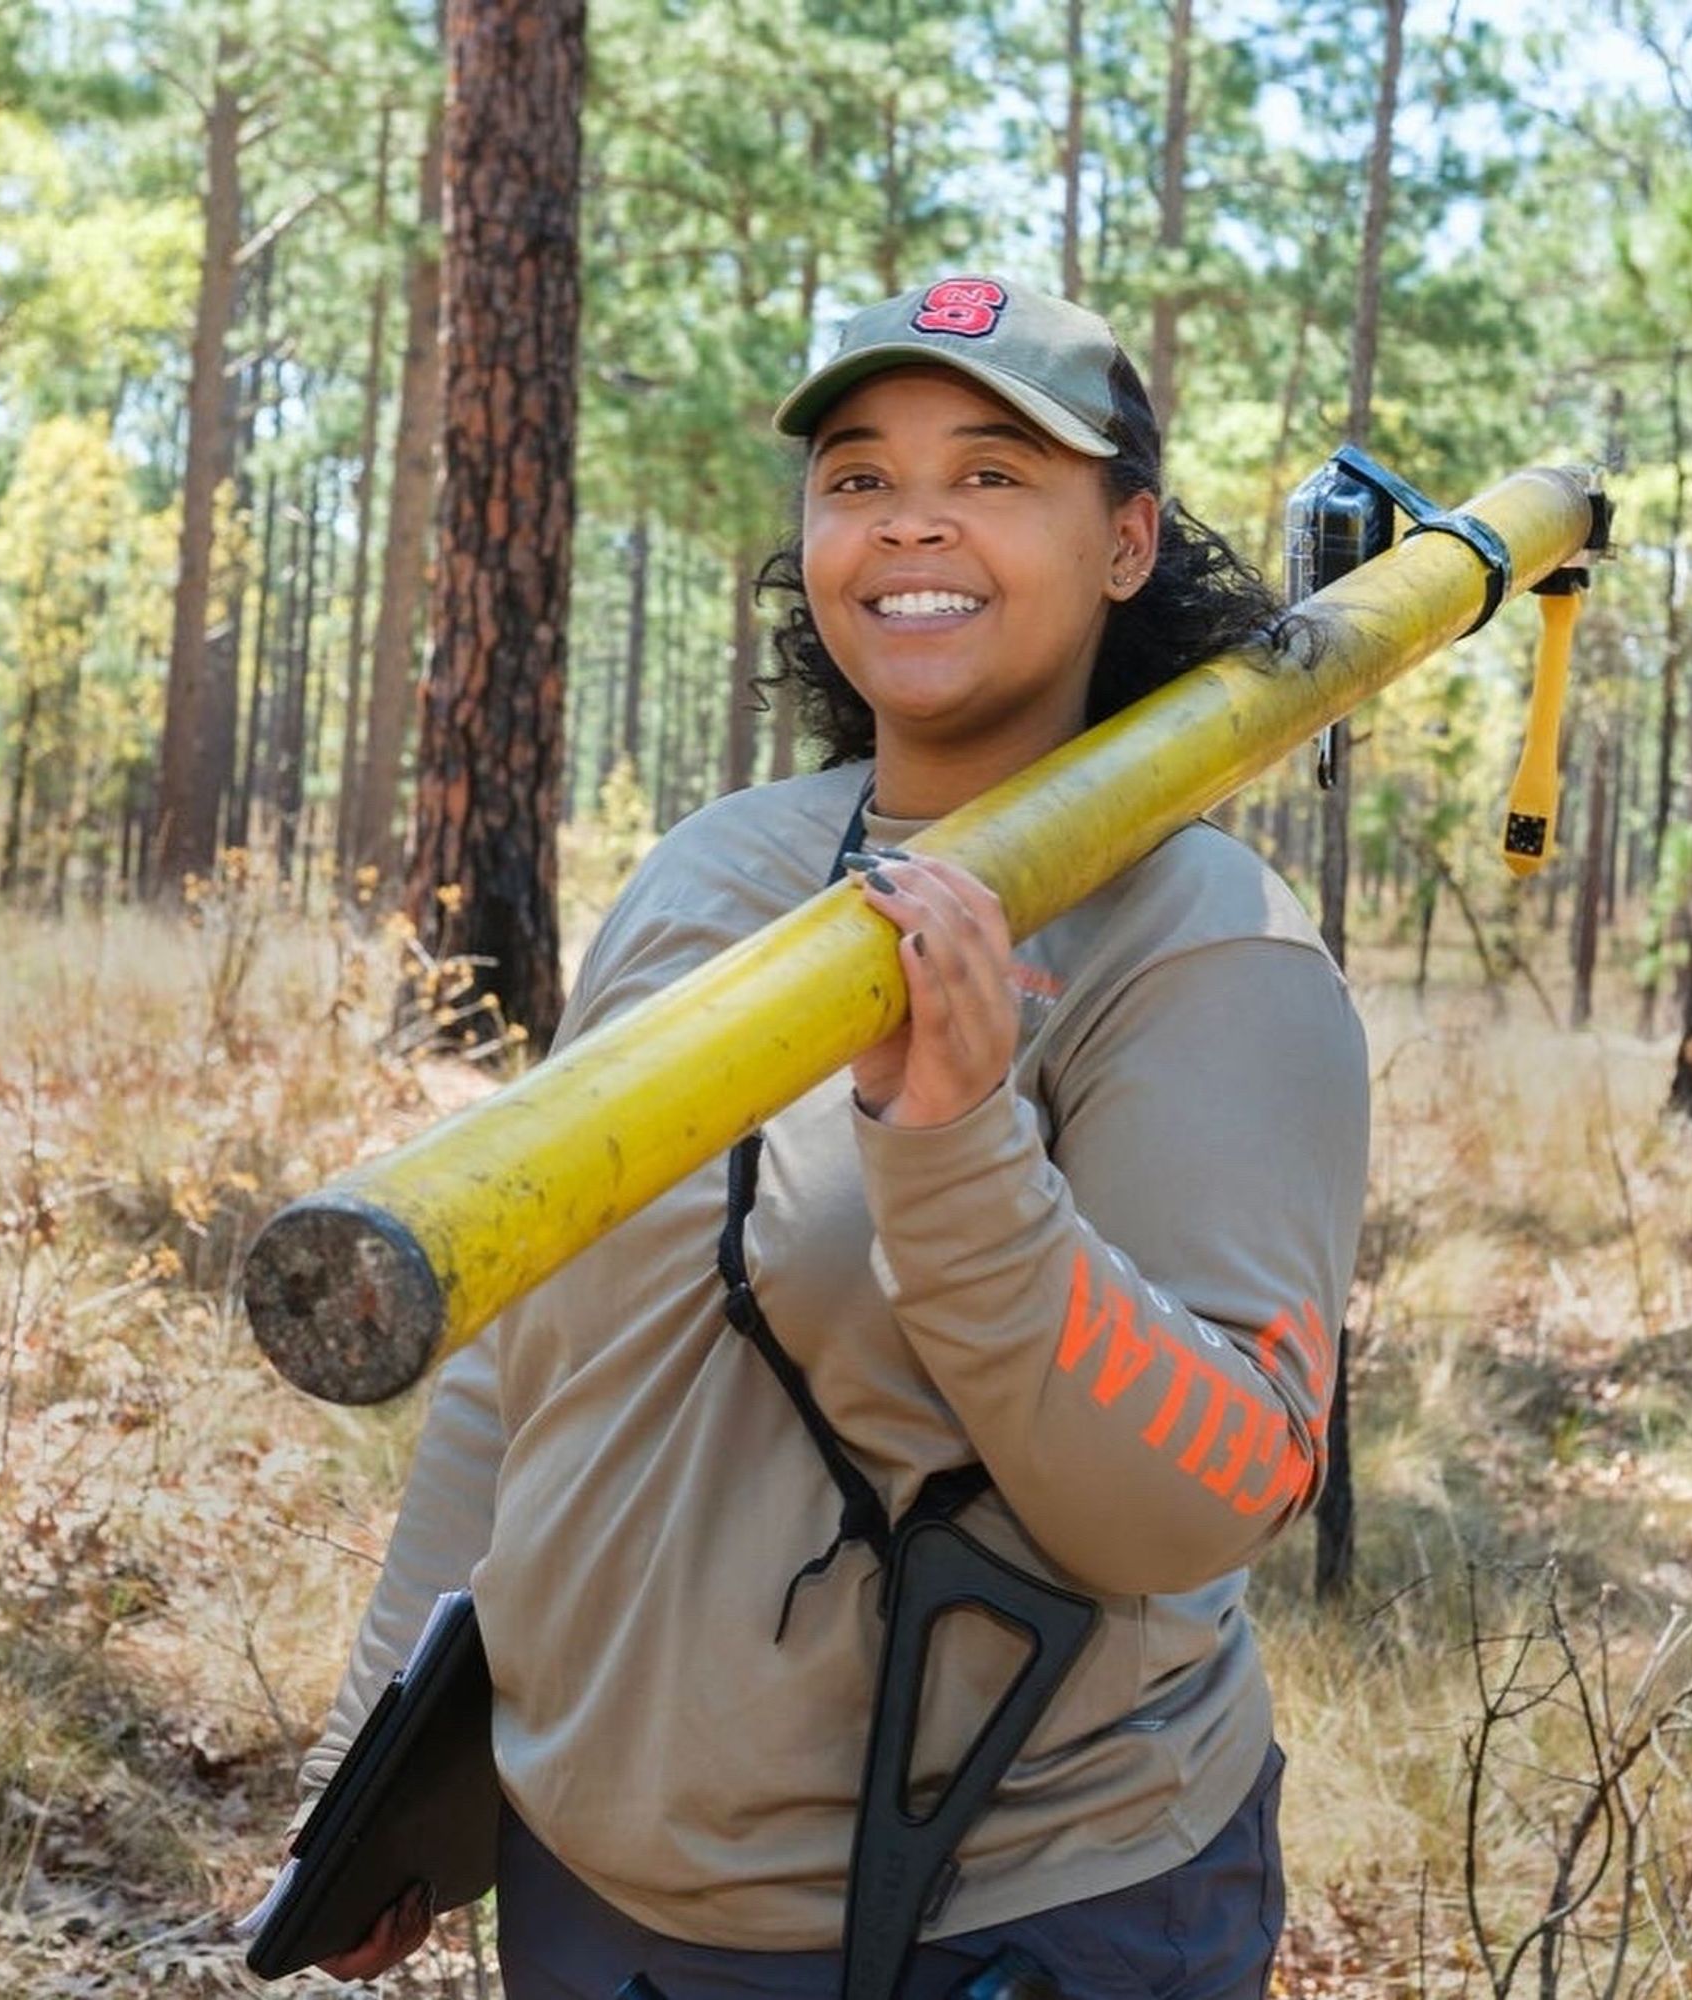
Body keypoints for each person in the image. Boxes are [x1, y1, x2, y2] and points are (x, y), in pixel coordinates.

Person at [292, 276, 1370, 1998]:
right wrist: (380, 1765)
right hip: (593, 1898)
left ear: (1127, 543)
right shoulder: (711, 873)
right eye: (858, 476)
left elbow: (1210, 1495)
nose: (911, 518)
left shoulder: (1207, 950)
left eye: (998, 472)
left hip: (993, 1923)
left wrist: (955, 1155)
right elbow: (531, 1360)